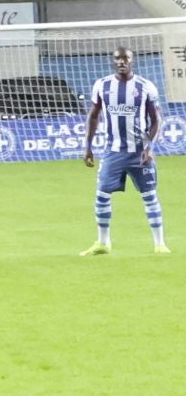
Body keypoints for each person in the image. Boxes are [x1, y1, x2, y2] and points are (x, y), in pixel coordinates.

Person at [79, 46, 167, 255]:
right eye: (117, 58)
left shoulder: (145, 87)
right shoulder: (102, 85)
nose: (121, 62)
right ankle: (103, 243)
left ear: (132, 61)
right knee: (101, 195)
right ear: (113, 61)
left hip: (139, 151)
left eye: (125, 58)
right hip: (113, 151)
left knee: (149, 195)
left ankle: (160, 244)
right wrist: (88, 146)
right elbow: (93, 115)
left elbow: (156, 119)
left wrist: (149, 146)